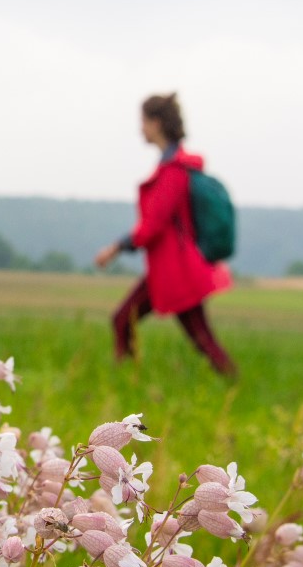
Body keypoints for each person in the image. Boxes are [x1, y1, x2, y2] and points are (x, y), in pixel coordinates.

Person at [93, 93, 236, 376]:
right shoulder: (174, 167)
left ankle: (127, 384)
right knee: (198, 338)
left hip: (177, 271)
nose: (140, 129)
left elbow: (153, 226)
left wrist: (116, 247)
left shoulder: (173, 172)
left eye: (144, 122)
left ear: (156, 123)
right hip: (170, 269)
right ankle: (232, 382)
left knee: (127, 322)